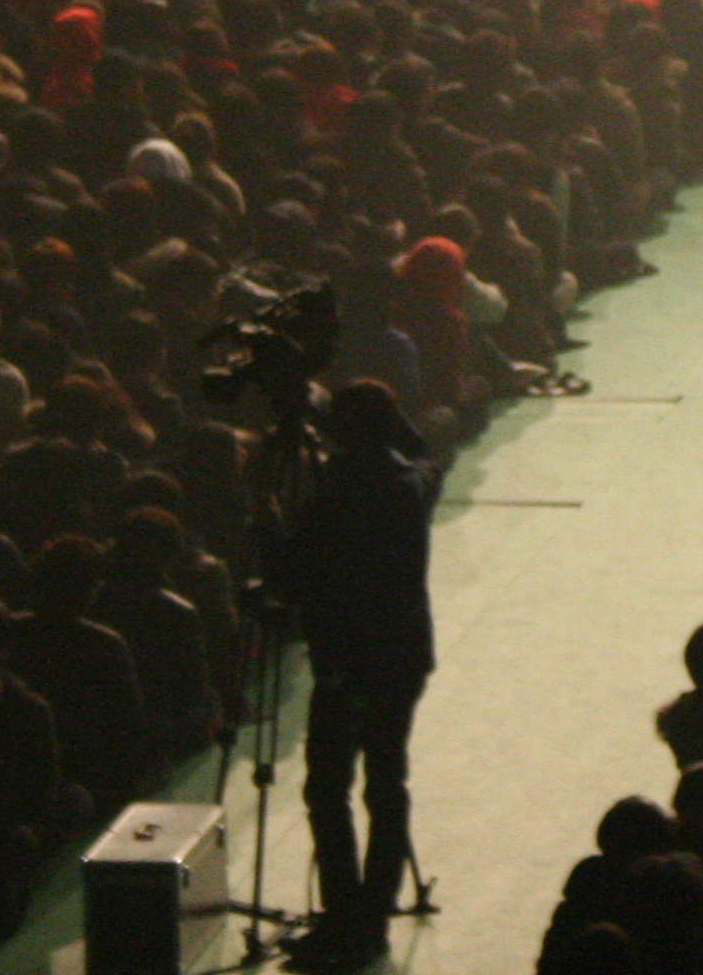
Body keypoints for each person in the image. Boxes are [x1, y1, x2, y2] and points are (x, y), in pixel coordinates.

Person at [278, 380, 442, 971]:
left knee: (328, 788)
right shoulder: (413, 483)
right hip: (402, 656)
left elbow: (294, 580)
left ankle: (344, 914)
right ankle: (373, 914)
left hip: (347, 661)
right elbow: (421, 449)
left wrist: (275, 532)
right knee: (386, 782)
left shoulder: (329, 497)